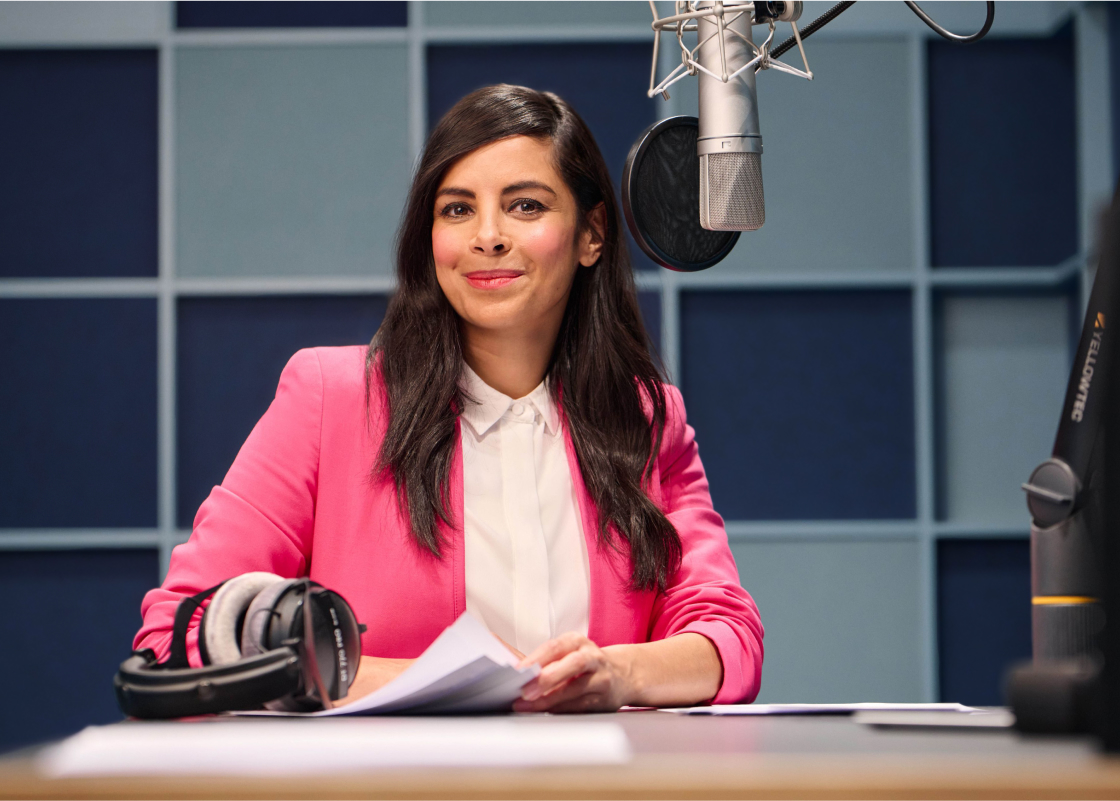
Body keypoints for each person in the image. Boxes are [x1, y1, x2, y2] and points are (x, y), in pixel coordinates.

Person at [135, 84, 763, 712]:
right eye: (457, 210)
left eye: (524, 206)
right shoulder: (330, 398)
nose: (487, 237)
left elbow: (728, 640)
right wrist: (445, 686)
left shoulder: (648, 418)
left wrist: (615, 674)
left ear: (591, 235)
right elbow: (179, 636)